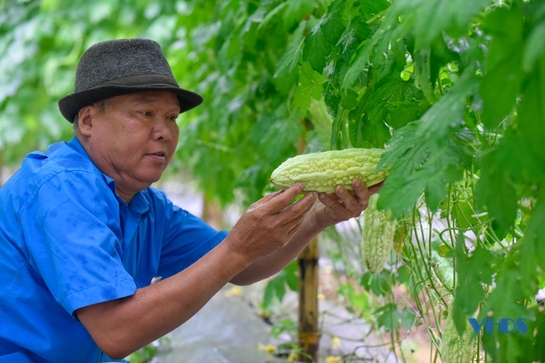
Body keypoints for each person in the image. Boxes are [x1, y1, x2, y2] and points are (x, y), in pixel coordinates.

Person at [0, 38, 381, 362]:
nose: (163, 132)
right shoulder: (60, 189)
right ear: (87, 121)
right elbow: (115, 331)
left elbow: (244, 267)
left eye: (171, 118)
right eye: (145, 113)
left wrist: (317, 218)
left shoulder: (147, 205)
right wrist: (235, 248)